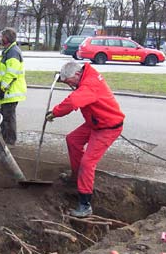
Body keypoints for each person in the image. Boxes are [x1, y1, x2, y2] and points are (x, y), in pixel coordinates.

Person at [46, 62, 125, 217]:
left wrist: (55, 112)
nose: (70, 86)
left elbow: (73, 102)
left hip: (107, 127)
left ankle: (85, 204)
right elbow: (74, 91)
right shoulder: (84, 76)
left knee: (88, 163)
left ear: (76, 75)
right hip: (95, 122)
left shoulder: (90, 84)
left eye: (69, 82)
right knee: (72, 140)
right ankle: (76, 177)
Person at [0, 27, 27, 145]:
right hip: (9, 91)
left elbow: (11, 73)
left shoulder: (12, 52)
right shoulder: (9, 51)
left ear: (6, 38)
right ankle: (5, 139)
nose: (0, 39)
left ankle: (9, 141)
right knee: (5, 115)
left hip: (10, 91)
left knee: (7, 117)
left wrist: (2, 88)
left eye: (2, 36)